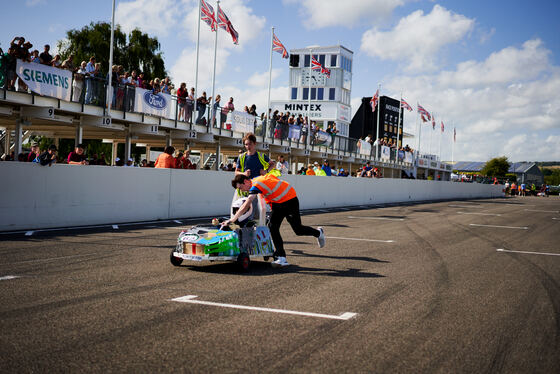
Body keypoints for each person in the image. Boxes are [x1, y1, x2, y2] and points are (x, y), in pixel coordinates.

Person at [224, 173, 325, 267]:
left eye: (241, 187)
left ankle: (318, 233)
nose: (243, 190)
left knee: (298, 230)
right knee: (273, 227)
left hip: (290, 200)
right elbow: (272, 180)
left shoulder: (257, 184)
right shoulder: (256, 181)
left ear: (246, 181)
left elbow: (247, 203)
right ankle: (281, 257)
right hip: (278, 204)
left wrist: (233, 219)